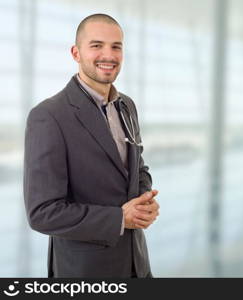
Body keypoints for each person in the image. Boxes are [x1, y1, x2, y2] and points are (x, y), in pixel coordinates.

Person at [23, 13, 160, 278]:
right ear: (76, 53)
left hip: (137, 264)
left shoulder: (126, 106)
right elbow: (43, 213)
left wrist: (144, 202)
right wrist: (120, 219)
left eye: (116, 46)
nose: (108, 55)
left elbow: (137, 169)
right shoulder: (49, 116)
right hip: (85, 272)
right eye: (96, 45)